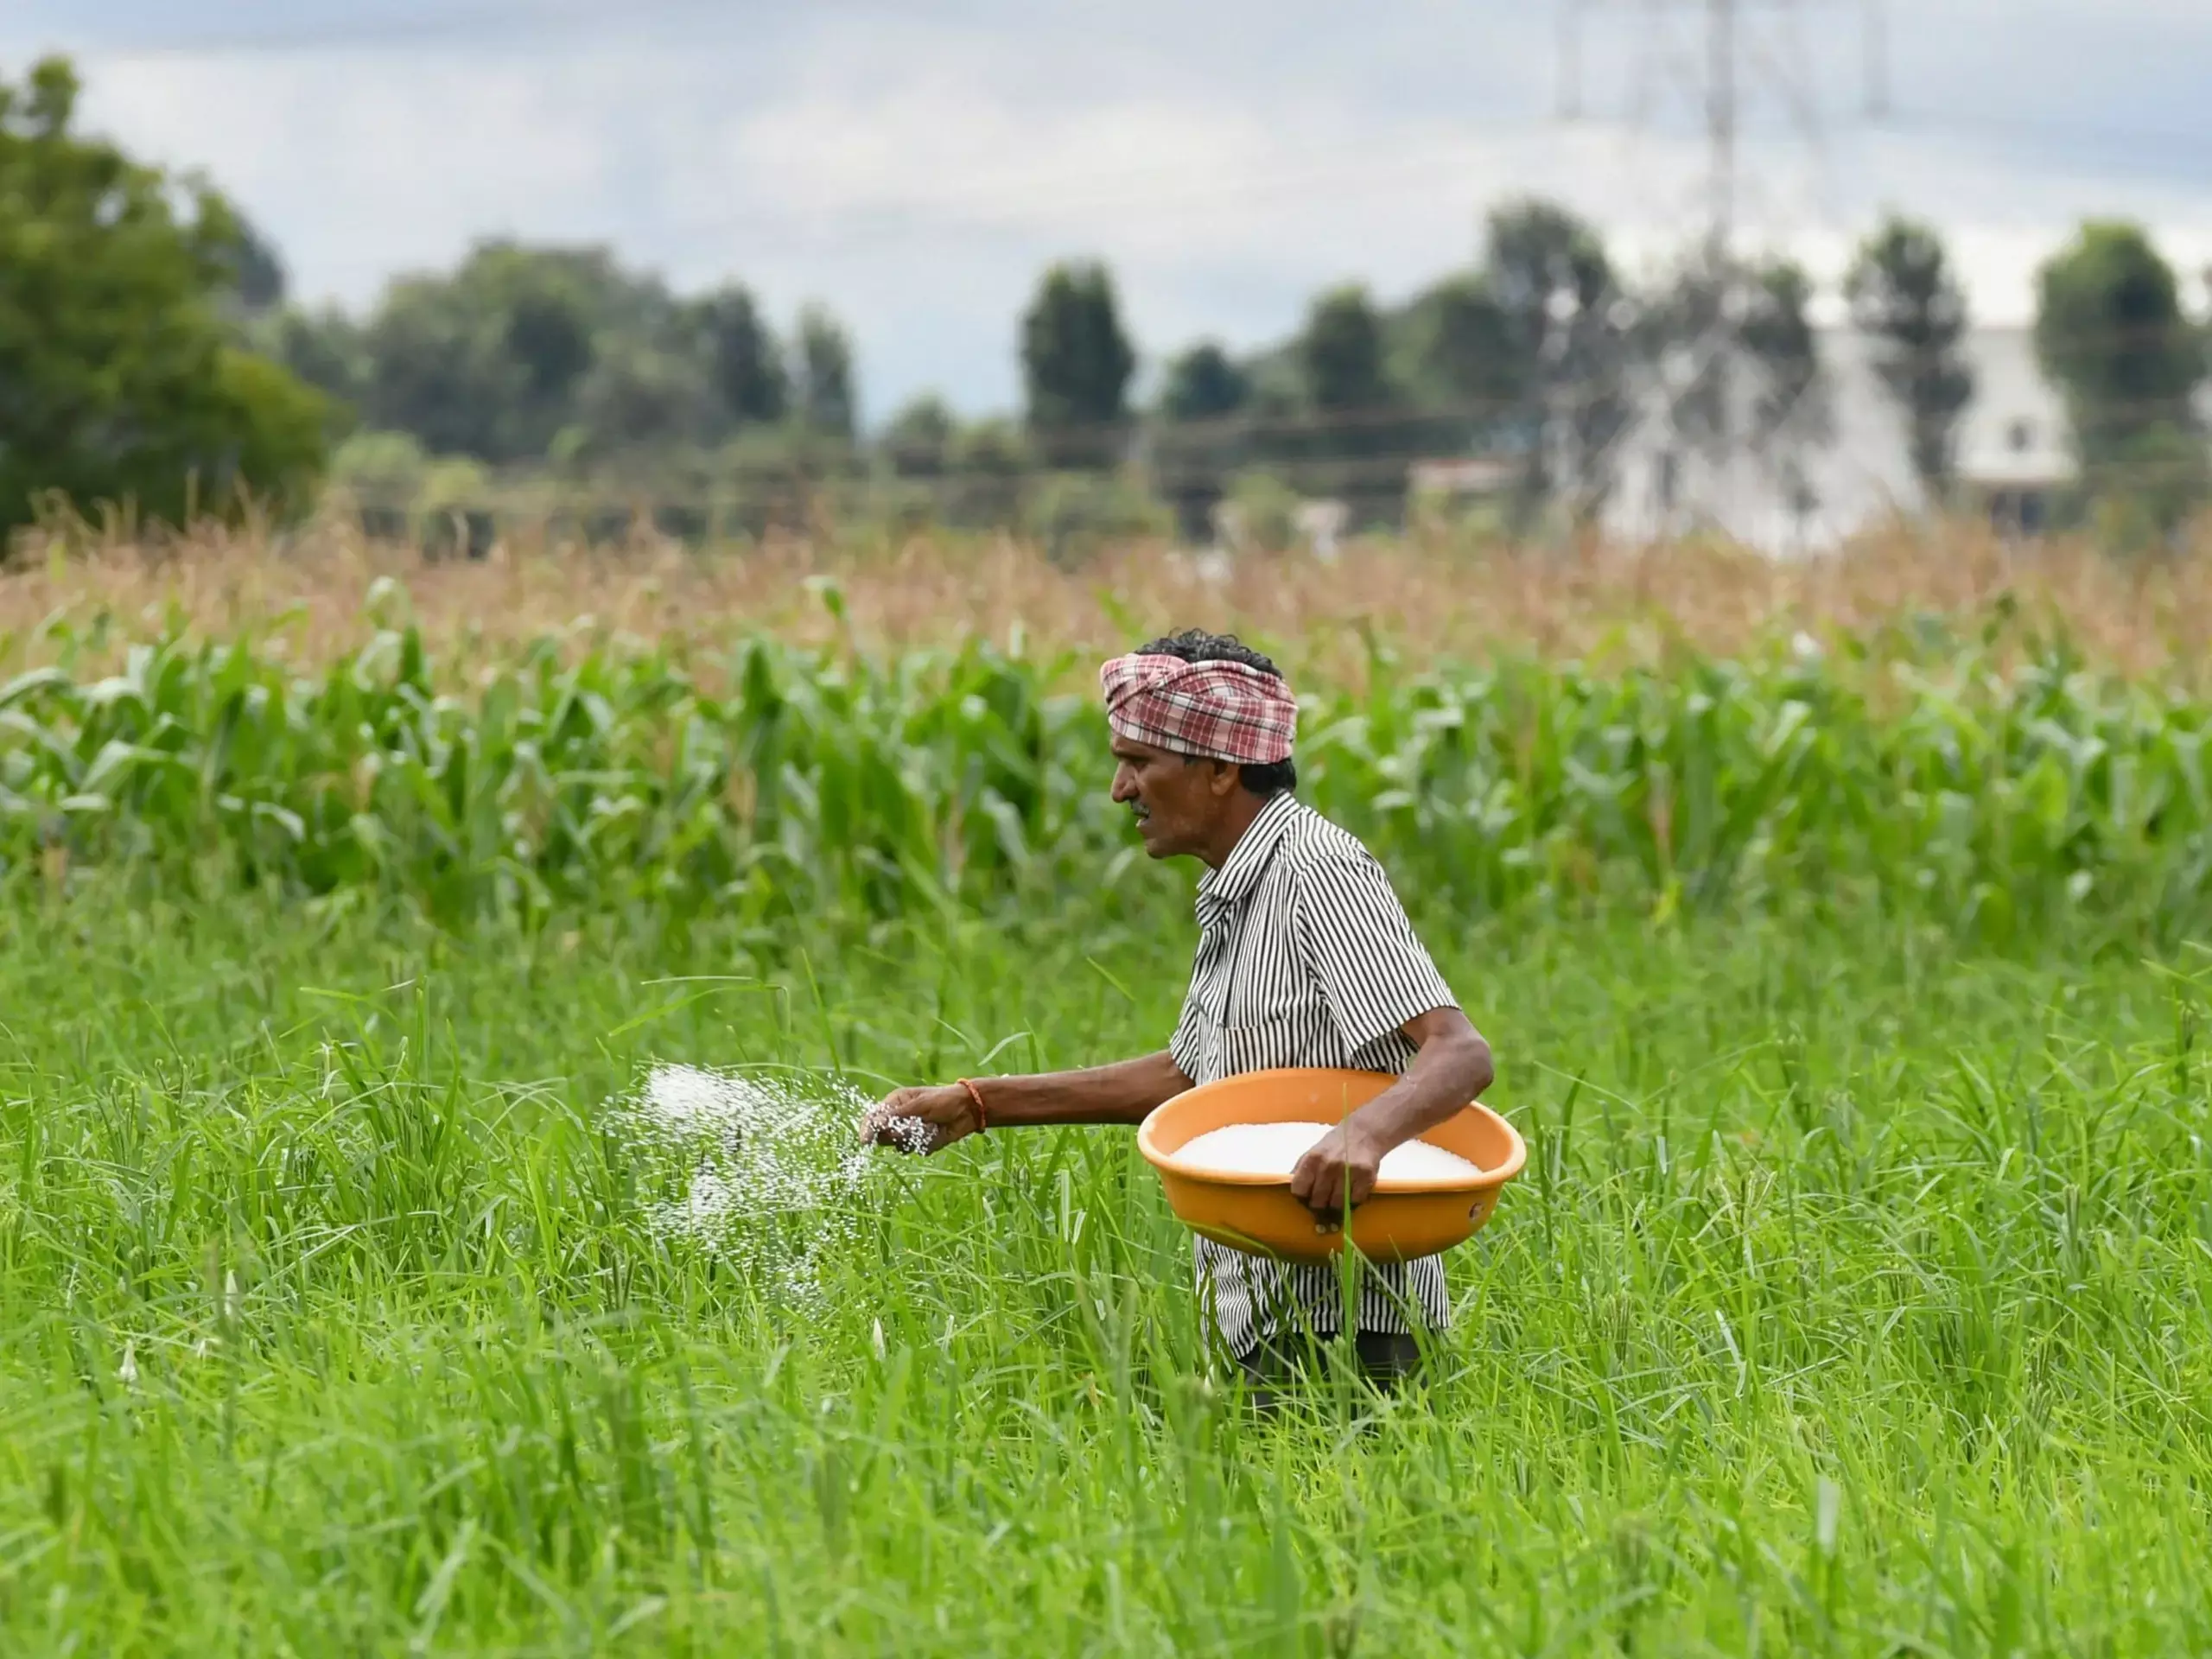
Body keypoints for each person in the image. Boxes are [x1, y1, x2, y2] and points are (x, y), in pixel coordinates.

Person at [864, 629, 1495, 1394]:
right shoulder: (1236, 890)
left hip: (1349, 1324)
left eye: (1139, 762)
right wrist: (978, 1104)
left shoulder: (1315, 870)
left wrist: (1364, 1134)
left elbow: (1457, 1051)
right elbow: (1189, 1081)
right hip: (1265, 1313)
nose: (1120, 790)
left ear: (1223, 769)